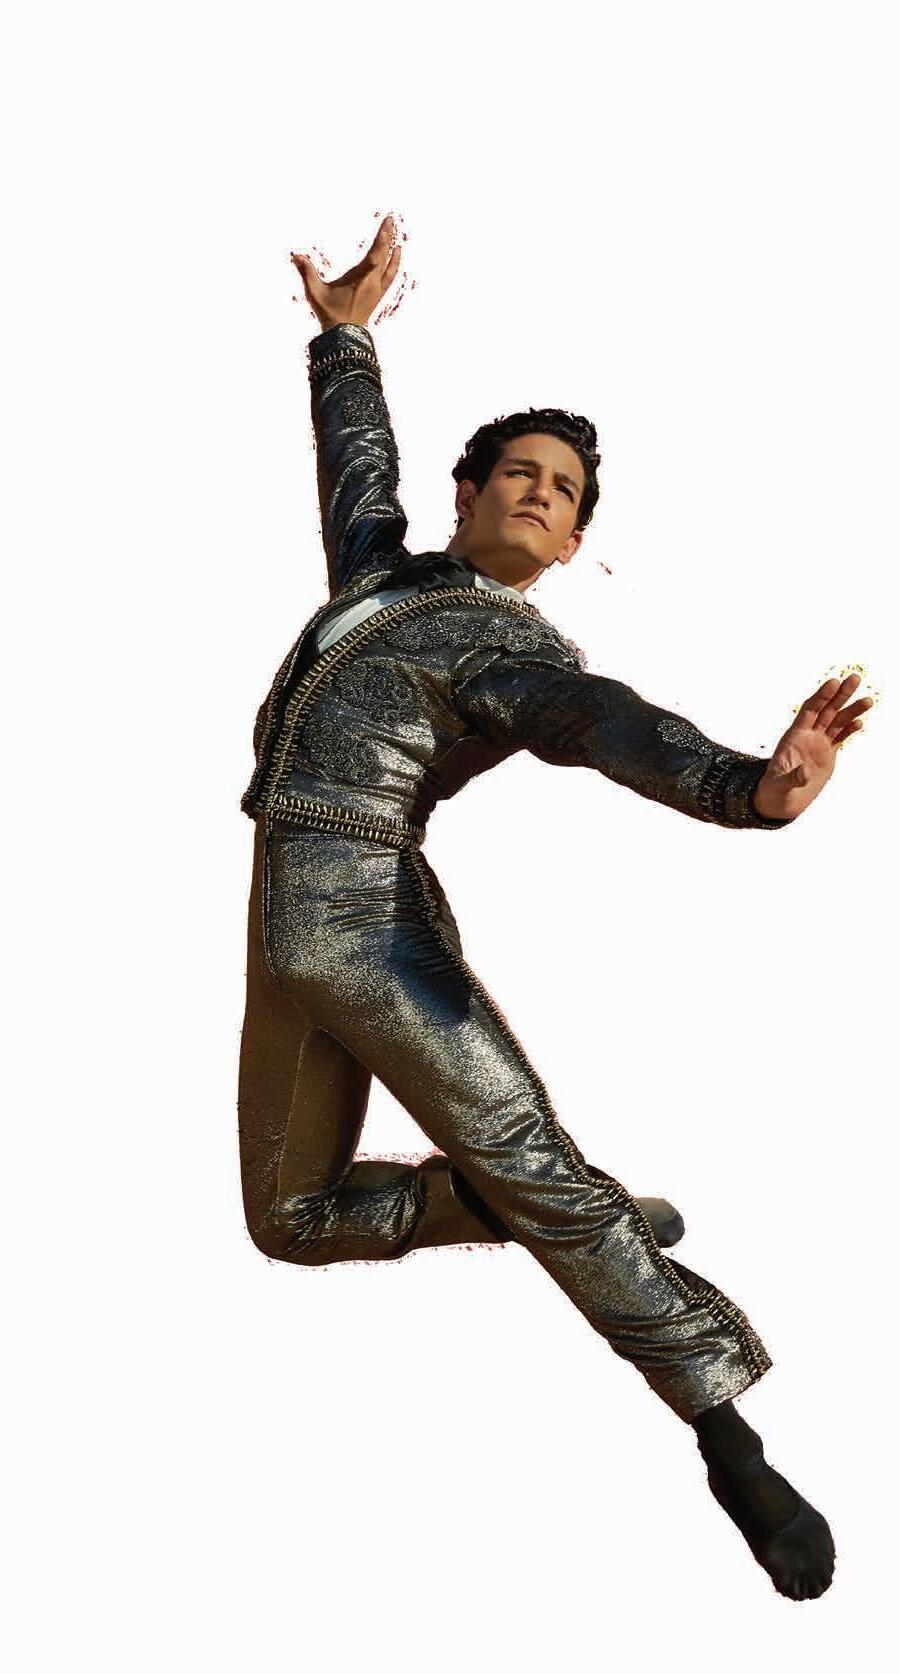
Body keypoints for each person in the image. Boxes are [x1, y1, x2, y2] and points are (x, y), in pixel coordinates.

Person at [238, 214, 870, 1600]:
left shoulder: (511, 650)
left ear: (574, 541)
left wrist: (750, 789)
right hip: (282, 921)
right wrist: (346, 340)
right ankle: (539, 1201)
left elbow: (606, 725)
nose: (537, 492)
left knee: (534, 1159)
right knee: (290, 1218)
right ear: (468, 494)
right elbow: (357, 471)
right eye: (516, 472)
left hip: (367, 918)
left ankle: (727, 1433)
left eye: (562, 490)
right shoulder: (383, 581)